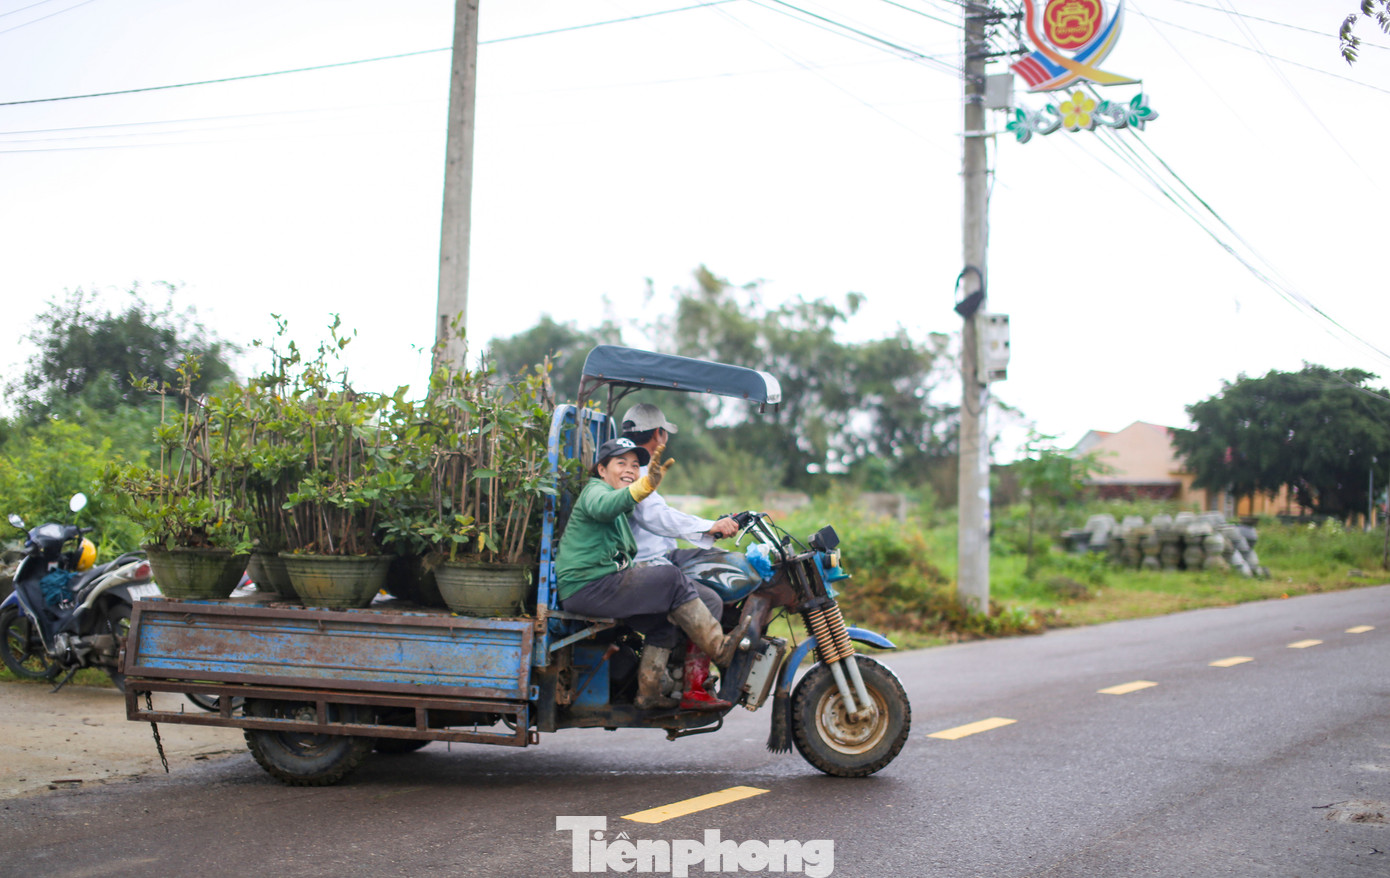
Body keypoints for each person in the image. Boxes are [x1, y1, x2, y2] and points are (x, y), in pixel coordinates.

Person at [555, 437, 746, 711]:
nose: (630, 470)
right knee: (671, 578)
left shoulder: (623, 506)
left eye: (635, 465)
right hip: (587, 587)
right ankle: (719, 648)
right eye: (621, 463)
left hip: (602, 585)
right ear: (601, 469)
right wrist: (643, 487)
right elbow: (604, 506)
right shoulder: (595, 491)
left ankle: (649, 694)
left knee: (662, 627)